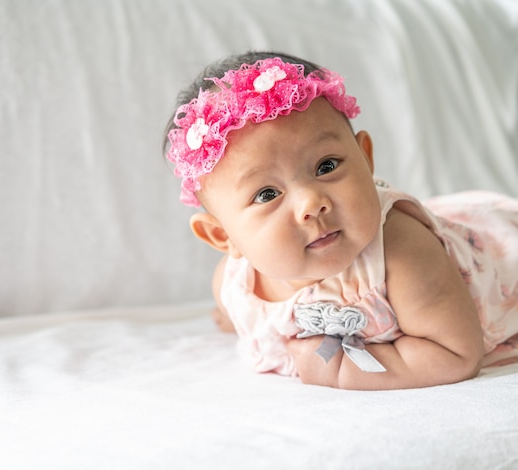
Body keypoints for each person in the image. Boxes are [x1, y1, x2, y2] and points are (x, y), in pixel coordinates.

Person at [163, 51, 518, 390]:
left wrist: (341, 370)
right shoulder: (233, 286)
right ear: (224, 237)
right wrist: (238, 320)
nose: (311, 203)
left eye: (326, 166)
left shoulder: (402, 254)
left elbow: (456, 354)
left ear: (365, 157)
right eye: (267, 194)